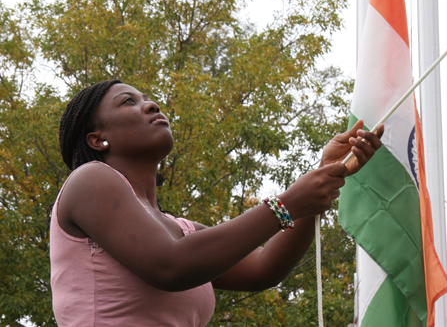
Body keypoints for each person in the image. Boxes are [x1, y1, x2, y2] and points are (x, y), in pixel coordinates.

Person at [50, 79, 384, 326]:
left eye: (149, 99)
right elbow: (170, 266)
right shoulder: (89, 180)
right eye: (128, 102)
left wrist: (321, 182)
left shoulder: (181, 230)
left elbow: (263, 269)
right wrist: (290, 202)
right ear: (97, 138)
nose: (151, 105)